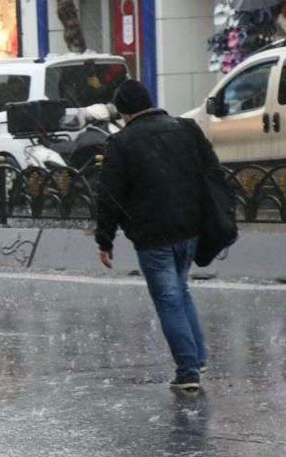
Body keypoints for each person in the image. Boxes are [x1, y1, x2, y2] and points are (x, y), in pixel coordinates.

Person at [94, 79, 216, 392]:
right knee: (180, 291)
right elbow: (210, 174)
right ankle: (197, 355)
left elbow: (108, 195)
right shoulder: (185, 129)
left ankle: (188, 371)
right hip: (189, 229)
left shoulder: (121, 143)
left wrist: (104, 239)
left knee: (168, 299)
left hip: (153, 235)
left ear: (125, 112)